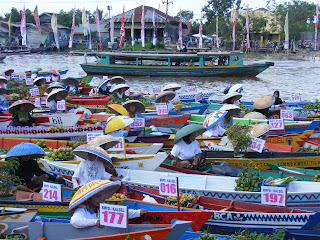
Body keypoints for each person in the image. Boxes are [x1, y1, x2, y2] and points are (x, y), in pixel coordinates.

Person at [69, 180, 148, 229]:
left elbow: (119, 213)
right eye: (97, 197)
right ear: (90, 198)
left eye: (100, 196)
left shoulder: (101, 206)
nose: (100, 199)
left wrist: (138, 212)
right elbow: (74, 221)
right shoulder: (82, 209)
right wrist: (96, 222)